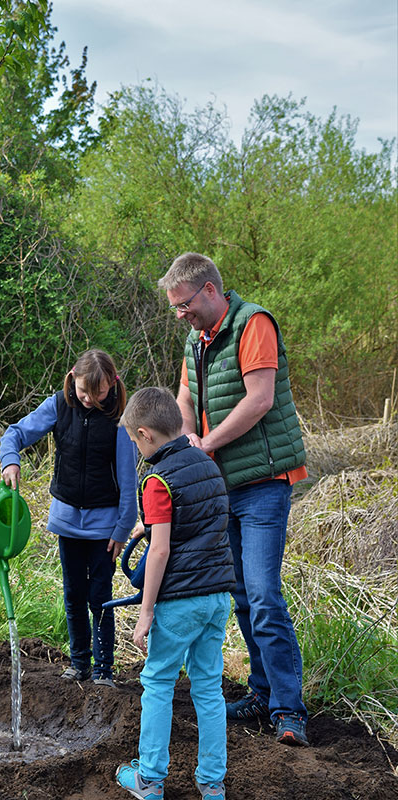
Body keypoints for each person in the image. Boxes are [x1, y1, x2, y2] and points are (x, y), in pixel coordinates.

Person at [158, 252, 309, 747]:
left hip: (263, 483)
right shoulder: (193, 339)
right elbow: (184, 400)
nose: (179, 314)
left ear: (207, 290)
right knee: (241, 594)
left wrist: (207, 443)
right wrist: (182, 446)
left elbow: (260, 398)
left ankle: (290, 710)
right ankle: (262, 692)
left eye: (183, 305)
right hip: (222, 488)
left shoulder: (253, 324)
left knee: (264, 595)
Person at [116, 387, 235, 800]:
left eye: (134, 440)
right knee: (208, 687)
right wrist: (148, 526)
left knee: (158, 682)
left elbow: (162, 550)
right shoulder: (207, 465)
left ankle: (149, 779)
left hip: (181, 600)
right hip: (218, 595)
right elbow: (196, 524)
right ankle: (212, 783)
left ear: (146, 434)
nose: (135, 447)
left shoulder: (157, 479)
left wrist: (146, 611)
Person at [0, 349, 137, 687]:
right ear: (71, 382)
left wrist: (123, 528)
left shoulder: (121, 420)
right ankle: (79, 664)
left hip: (105, 527)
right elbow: (15, 432)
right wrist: (10, 459)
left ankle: (104, 669)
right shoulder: (58, 405)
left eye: (98, 392)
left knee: (100, 596)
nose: (89, 399)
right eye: (83, 391)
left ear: (112, 384)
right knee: (74, 594)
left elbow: (129, 480)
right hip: (67, 521)